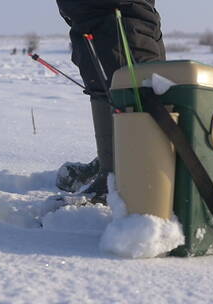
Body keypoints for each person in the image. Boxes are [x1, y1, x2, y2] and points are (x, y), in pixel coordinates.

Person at [55, 0, 166, 202]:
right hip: (96, 15)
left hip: (113, 16)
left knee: (127, 84)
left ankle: (118, 180)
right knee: (104, 81)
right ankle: (114, 160)